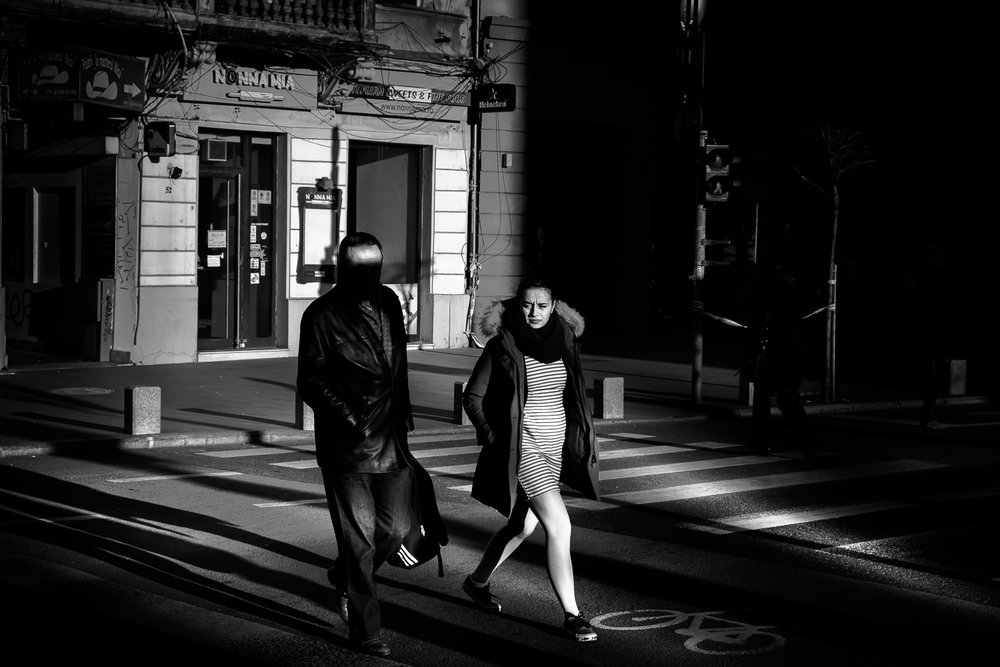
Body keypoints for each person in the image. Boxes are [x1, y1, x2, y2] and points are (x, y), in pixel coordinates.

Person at [461, 276, 601, 642]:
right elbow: (472, 398)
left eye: (541, 305)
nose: (534, 312)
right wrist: (495, 437)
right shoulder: (502, 346)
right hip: (524, 451)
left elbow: (570, 394)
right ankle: (573, 615)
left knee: (522, 526)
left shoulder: (566, 341)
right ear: (516, 304)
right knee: (560, 526)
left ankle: (477, 582)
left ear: (554, 306)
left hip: (555, 450)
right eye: (527, 304)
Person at [296, 231, 415, 658]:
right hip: (347, 445)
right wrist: (351, 421)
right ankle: (366, 630)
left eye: (374, 266)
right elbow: (311, 380)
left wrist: (404, 417)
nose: (368, 275)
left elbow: (397, 366)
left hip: (392, 439)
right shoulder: (322, 314)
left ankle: (343, 575)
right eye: (359, 267)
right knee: (360, 541)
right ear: (342, 267)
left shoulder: (389, 303)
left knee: (396, 530)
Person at [743, 261, 814, 455]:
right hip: (785, 360)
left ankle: (763, 443)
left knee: (767, 402)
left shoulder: (771, 300)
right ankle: (804, 440)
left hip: (776, 359)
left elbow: (761, 327)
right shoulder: (790, 300)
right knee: (783, 402)